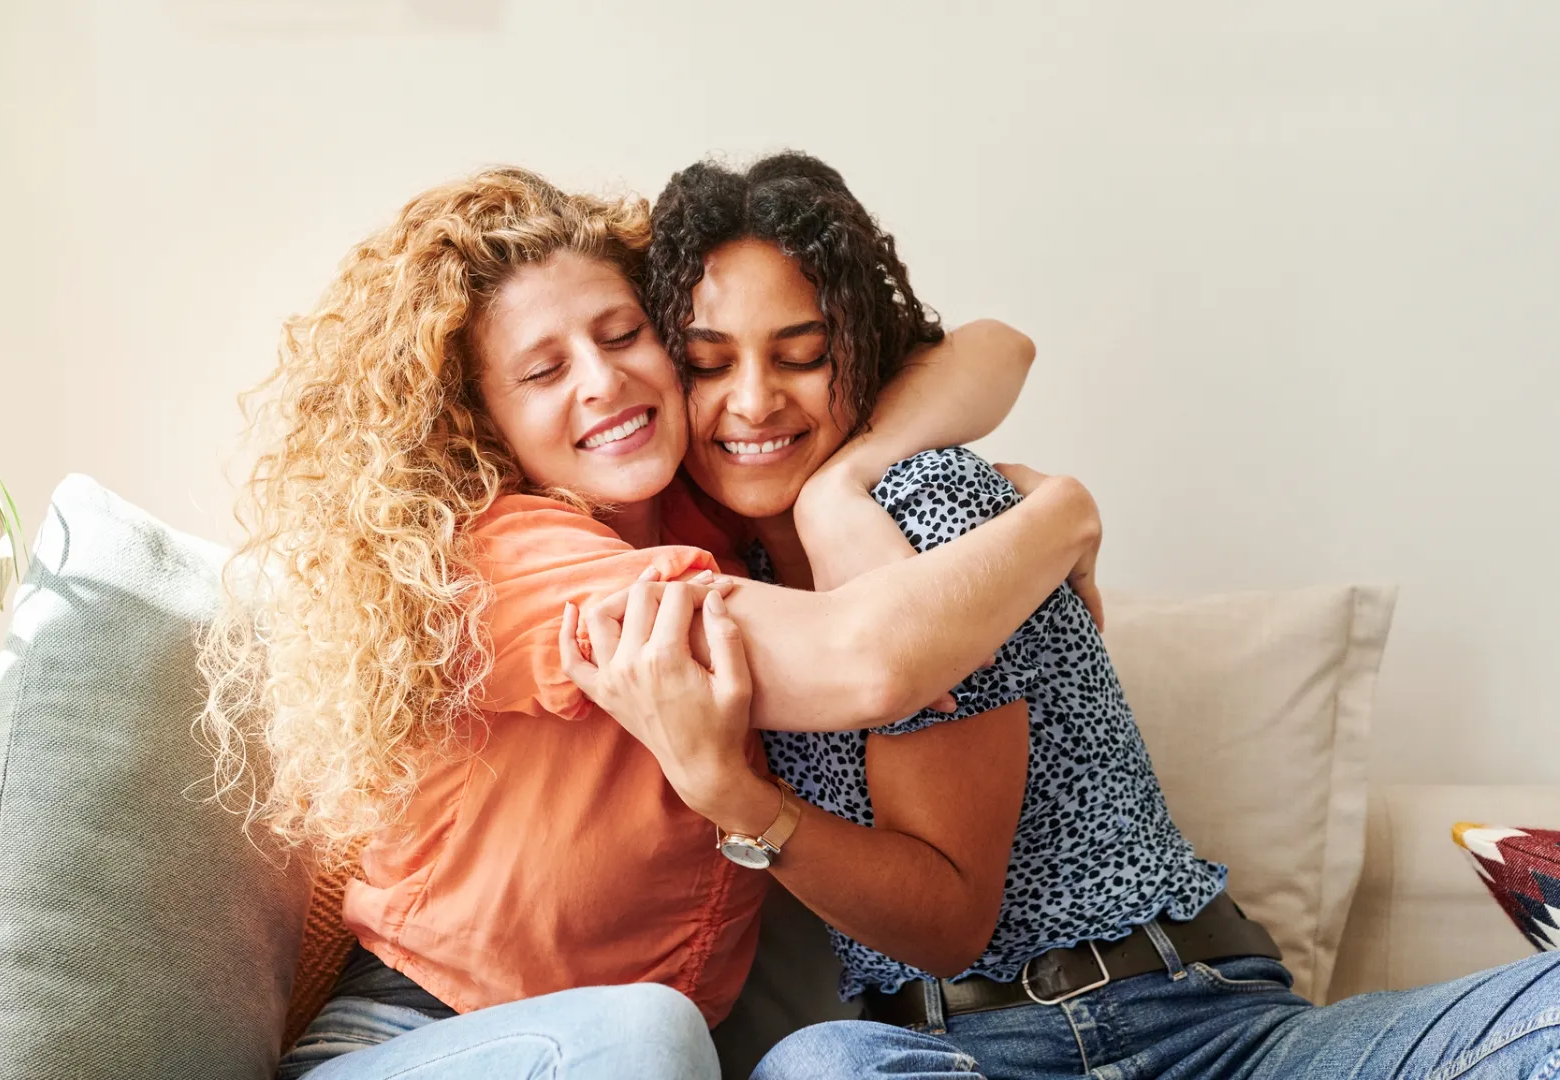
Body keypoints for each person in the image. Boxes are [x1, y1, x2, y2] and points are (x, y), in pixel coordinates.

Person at [562, 151, 1560, 1080]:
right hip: (945, 1059)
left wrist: (735, 796)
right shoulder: (708, 570)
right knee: (821, 1068)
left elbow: (950, 917)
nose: (753, 401)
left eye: (802, 354)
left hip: (1203, 1031)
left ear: (861, 352)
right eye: (707, 362)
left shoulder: (928, 506)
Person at [199, 164, 1103, 1080]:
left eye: (623, 334)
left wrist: (842, 477)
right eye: (544, 371)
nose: (601, 381)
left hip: (631, 1058)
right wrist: (1060, 516)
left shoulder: (714, 522)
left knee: (658, 1036)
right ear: (484, 423)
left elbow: (992, 349)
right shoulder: (507, 561)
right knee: (649, 1032)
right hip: (416, 1040)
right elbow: (866, 664)